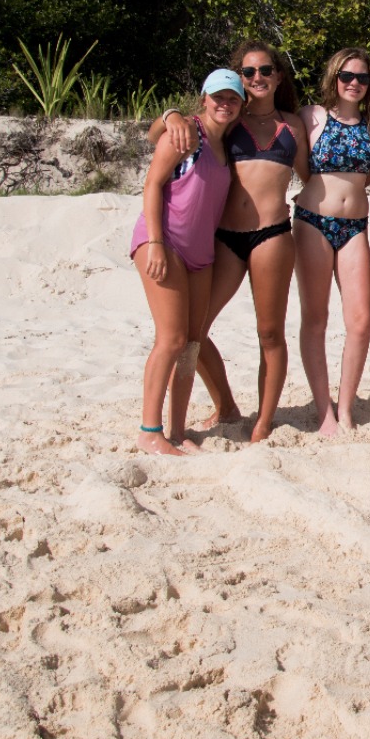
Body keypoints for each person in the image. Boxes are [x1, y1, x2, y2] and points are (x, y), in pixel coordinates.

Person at [153, 41, 309, 442]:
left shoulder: (293, 126)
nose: (258, 77)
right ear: (240, 77)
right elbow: (158, 133)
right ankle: (225, 404)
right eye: (249, 71)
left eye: (266, 70)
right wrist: (171, 115)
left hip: (273, 235)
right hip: (224, 238)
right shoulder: (228, 117)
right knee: (194, 332)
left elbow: (314, 177)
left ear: (278, 76)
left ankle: (263, 422)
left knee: (270, 333)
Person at [130, 70, 242, 455]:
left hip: (202, 253)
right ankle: (150, 431)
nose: (225, 103)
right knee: (172, 338)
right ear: (204, 98)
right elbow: (152, 183)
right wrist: (155, 243)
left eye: (233, 98)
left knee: (191, 344)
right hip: (165, 241)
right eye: (218, 96)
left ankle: (177, 432)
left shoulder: (227, 142)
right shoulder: (187, 133)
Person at [293, 47, 370, 436]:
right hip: (313, 222)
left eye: (362, 77)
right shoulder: (311, 116)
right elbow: (300, 166)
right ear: (334, 78)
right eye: (347, 76)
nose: (354, 83)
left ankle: (345, 408)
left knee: (361, 321)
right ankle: (323, 411)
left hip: (355, 227)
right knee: (315, 318)